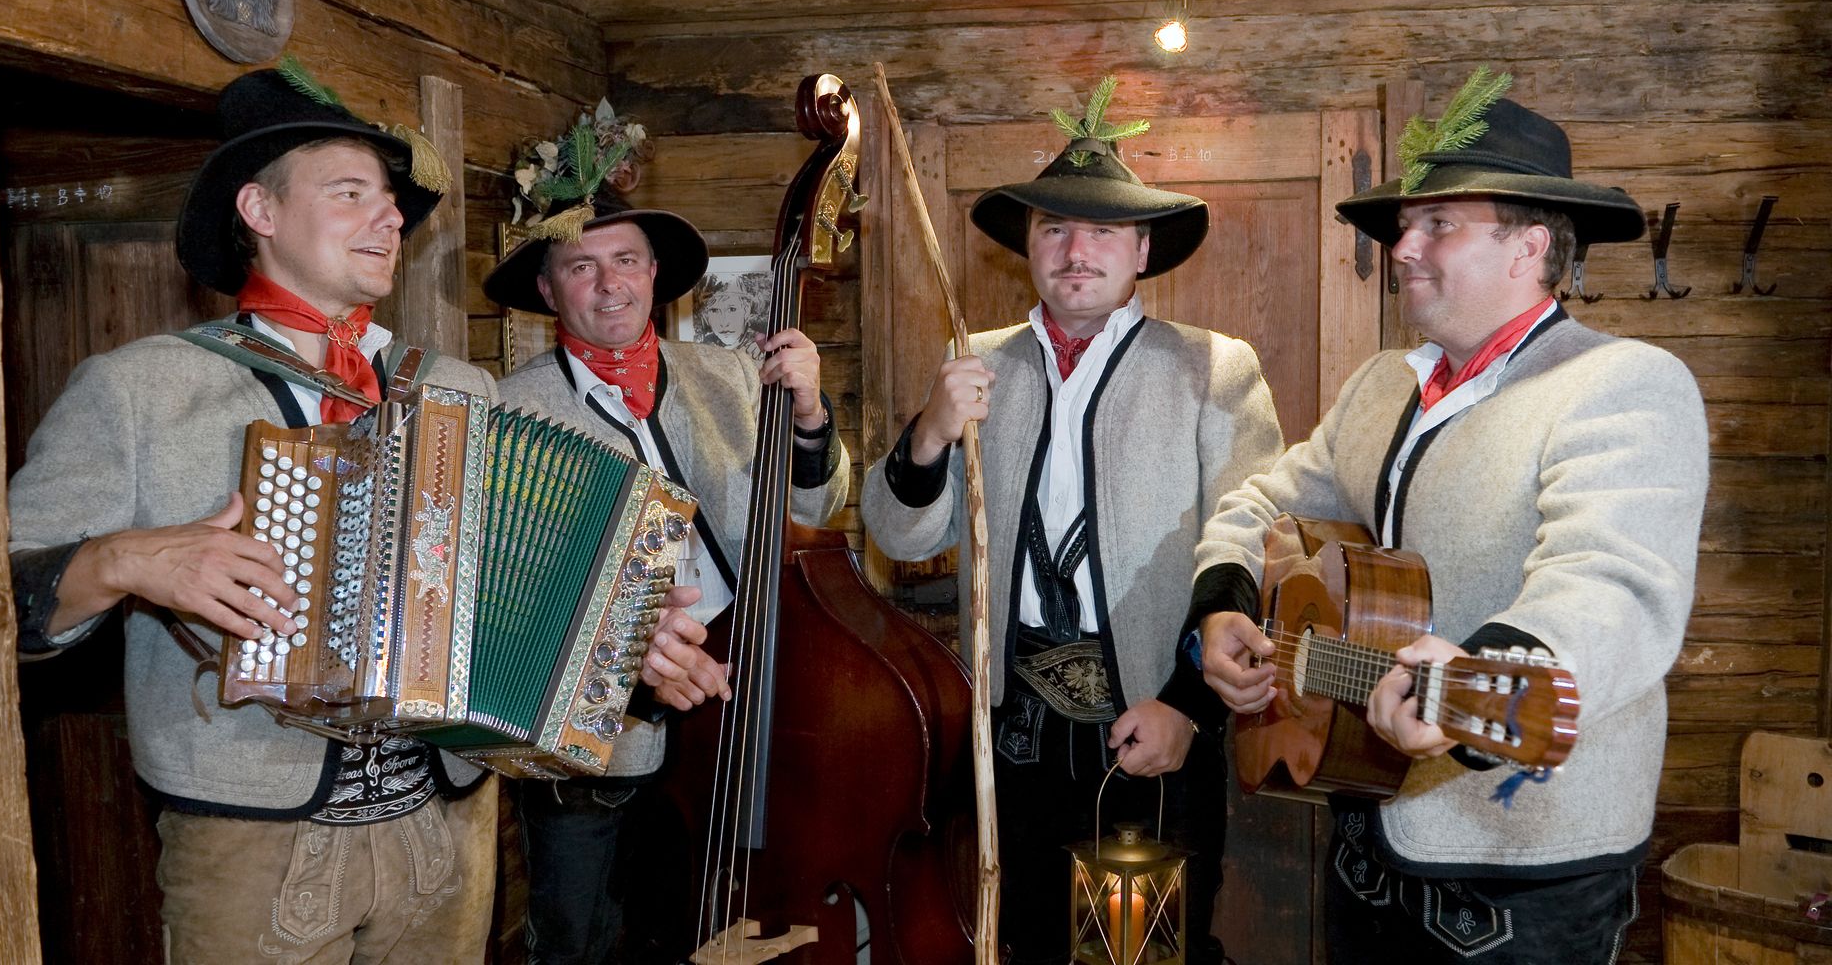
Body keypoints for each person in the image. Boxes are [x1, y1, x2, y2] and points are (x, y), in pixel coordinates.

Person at [4, 65, 524, 961]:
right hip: (250, 830)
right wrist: (124, 560)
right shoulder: (137, 389)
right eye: (351, 192)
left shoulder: (457, 388)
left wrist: (622, 626)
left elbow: (519, 576)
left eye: (392, 201)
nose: (391, 217)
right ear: (260, 210)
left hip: (450, 821)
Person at [1191, 70, 1708, 963]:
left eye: (1439, 224)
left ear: (1529, 246)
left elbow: (1612, 582)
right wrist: (1225, 602)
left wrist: (1483, 676)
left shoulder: (1623, 384)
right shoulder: (1384, 383)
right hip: (1364, 831)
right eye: (1404, 224)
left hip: (1521, 867)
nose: (1403, 245)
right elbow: (1267, 499)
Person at [860, 78, 1283, 965]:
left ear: (1141, 250)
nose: (1076, 250)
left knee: (1140, 949)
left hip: (1153, 727)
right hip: (1010, 738)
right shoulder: (973, 364)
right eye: (1055, 228)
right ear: (1028, 246)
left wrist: (1188, 709)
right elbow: (901, 540)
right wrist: (932, 432)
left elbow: (1258, 550)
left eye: (1101, 231)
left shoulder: (1213, 369)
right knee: (1031, 941)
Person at [481, 123, 851, 965]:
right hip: (591, 742)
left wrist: (809, 417)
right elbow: (498, 590)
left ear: (655, 275)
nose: (608, 285)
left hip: (740, 688)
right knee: (581, 937)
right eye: (581, 266)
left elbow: (819, 504)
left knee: (719, 920)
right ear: (547, 289)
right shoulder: (510, 409)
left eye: (626, 261)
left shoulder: (728, 377)